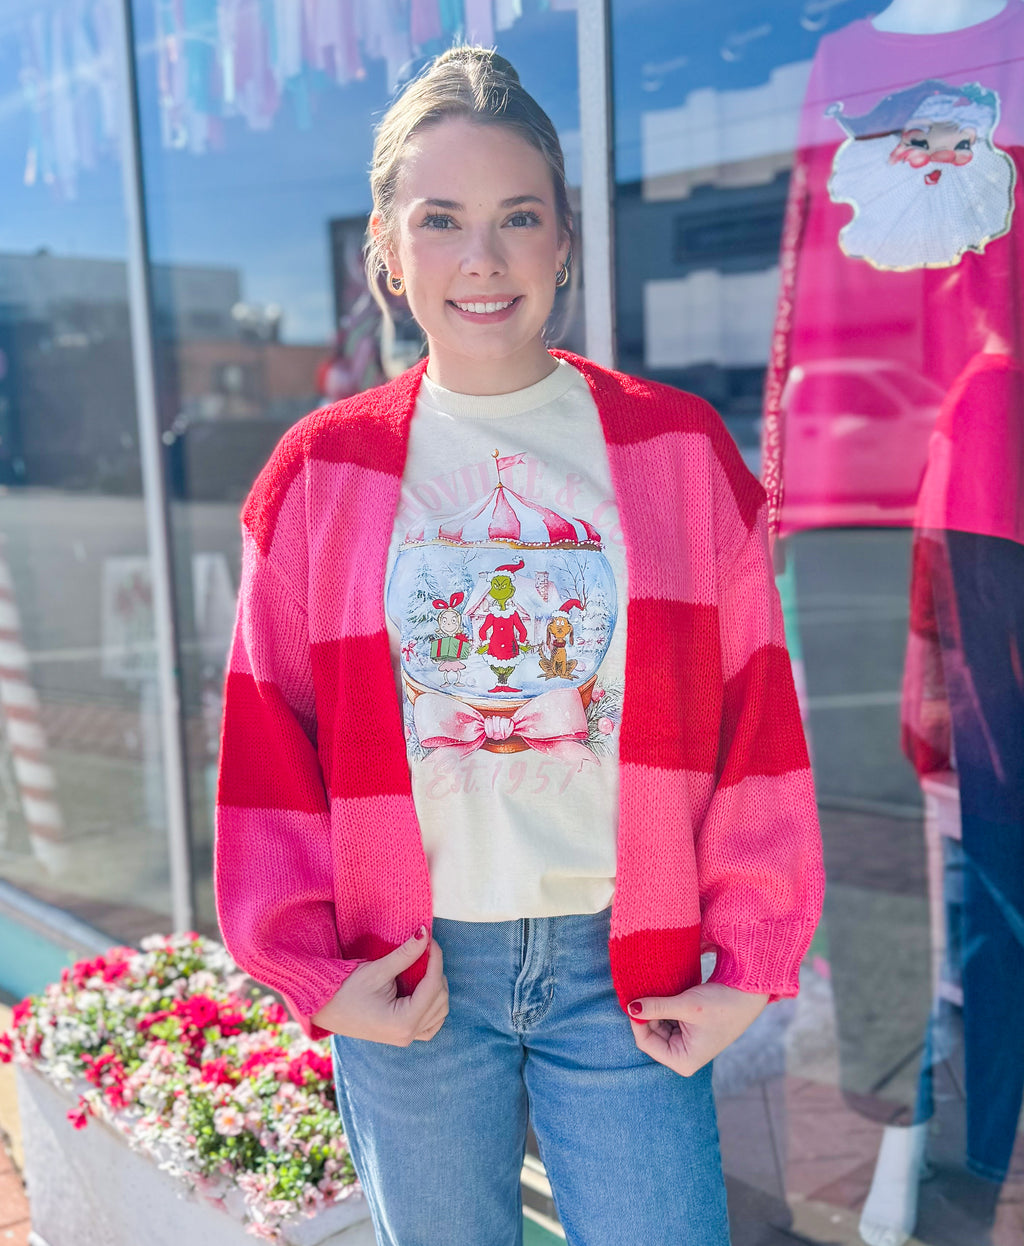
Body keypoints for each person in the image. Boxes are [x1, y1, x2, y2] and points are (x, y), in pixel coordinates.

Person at [215, 45, 825, 1246]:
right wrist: (315, 975)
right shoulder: (320, 473)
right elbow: (265, 735)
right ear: (387, 253)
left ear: (564, 243)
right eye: (440, 220)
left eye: (516, 218)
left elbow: (758, 715)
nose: (481, 258)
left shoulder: (676, 453)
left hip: (630, 972)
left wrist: (747, 962)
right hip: (410, 977)